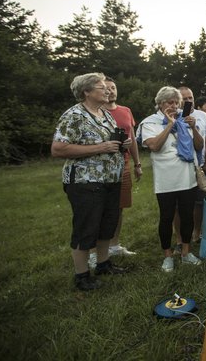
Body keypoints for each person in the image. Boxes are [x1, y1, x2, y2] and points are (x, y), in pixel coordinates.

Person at [52, 72, 130, 291]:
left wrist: (121, 144)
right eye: (101, 87)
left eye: (107, 87)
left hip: (110, 179)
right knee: (87, 227)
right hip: (85, 181)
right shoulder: (74, 115)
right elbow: (58, 148)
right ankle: (82, 275)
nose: (107, 90)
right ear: (86, 91)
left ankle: (103, 264)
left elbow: (107, 141)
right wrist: (101, 147)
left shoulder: (104, 114)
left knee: (107, 224)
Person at [137, 87, 202, 272]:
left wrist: (192, 127)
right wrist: (169, 125)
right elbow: (154, 146)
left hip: (187, 176)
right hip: (165, 178)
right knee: (166, 217)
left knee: (187, 215)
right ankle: (168, 256)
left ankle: (186, 252)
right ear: (160, 104)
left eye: (176, 102)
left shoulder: (185, 119)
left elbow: (199, 145)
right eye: (169, 102)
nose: (173, 106)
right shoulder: (150, 122)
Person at [94, 77, 141, 262]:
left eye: (114, 87)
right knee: (99, 209)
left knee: (119, 207)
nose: (111, 91)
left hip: (124, 165)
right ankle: (93, 251)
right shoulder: (95, 112)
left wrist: (137, 164)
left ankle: (114, 245)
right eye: (107, 88)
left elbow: (133, 139)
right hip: (101, 166)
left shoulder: (126, 110)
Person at [178, 86, 206, 243]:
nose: (188, 101)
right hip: (179, 167)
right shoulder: (173, 115)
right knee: (179, 204)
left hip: (199, 165)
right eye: (184, 99)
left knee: (199, 202)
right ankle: (180, 236)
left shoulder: (201, 116)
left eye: (190, 98)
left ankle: (196, 233)